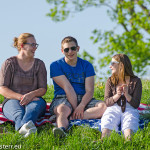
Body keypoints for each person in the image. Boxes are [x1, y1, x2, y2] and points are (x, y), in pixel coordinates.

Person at [49, 36, 106, 137]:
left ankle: (71, 118)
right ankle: (61, 130)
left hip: (83, 97)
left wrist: (82, 106)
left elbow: (89, 90)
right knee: (62, 109)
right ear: (62, 51)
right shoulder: (55, 65)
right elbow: (68, 88)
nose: (70, 51)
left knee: (104, 106)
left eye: (73, 48)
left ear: (78, 49)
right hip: (63, 97)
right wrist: (76, 108)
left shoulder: (87, 65)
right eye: (66, 49)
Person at [0, 33, 47, 137]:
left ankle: (21, 132)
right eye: (32, 45)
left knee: (32, 111)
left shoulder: (39, 64)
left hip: (35, 99)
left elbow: (43, 89)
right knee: (18, 114)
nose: (35, 48)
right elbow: (2, 88)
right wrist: (21, 97)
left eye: (36, 45)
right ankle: (25, 130)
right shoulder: (9, 63)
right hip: (11, 100)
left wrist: (31, 95)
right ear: (22, 46)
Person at [101, 54, 142, 140]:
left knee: (130, 120)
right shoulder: (110, 81)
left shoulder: (136, 81)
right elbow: (107, 102)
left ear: (121, 65)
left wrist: (127, 95)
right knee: (108, 118)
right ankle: (103, 141)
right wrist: (117, 95)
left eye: (113, 63)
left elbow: (136, 104)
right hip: (113, 107)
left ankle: (128, 142)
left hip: (130, 108)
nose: (110, 66)